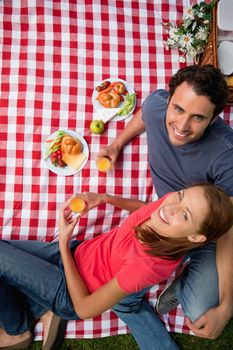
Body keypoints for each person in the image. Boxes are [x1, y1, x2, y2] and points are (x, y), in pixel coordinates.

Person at [0, 184, 233, 350]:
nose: (170, 206)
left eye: (185, 214)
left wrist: (62, 243)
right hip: (76, 253)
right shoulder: (169, 205)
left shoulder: (145, 267)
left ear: (194, 237)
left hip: (71, 293)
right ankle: (26, 317)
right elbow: (145, 206)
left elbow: (84, 308)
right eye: (181, 195)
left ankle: (18, 328)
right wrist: (104, 198)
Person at [98, 65, 233, 348]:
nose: (182, 126)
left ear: (214, 119)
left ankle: (183, 284)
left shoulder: (227, 156)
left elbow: (228, 232)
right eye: (178, 110)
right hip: (166, 214)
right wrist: (117, 144)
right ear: (169, 100)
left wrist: (227, 306)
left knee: (200, 314)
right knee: (106, 274)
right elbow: (145, 116)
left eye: (198, 118)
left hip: (205, 231)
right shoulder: (157, 104)